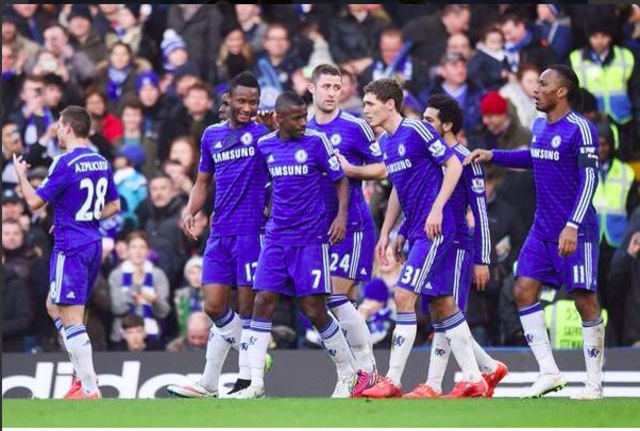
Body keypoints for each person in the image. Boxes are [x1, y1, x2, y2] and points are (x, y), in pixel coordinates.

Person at [465, 65, 604, 400]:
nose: (535, 89)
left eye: (543, 84)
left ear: (562, 91)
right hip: (542, 229)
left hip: (576, 231)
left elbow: (590, 179)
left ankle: (594, 384)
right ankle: (549, 371)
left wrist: (573, 224)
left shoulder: (580, 128)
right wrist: (494, 155)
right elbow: (534, 157)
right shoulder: (540, 125)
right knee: (523, 289)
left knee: (584, 300)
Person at [359, 79, 487, 399]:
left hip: (435, 230)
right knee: (442, 303)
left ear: (390, 104)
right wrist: (388, 232)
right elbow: (398, 190)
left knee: (404, 294)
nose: (365, 110)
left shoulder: (417, 130)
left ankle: (393, 379)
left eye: (370, 103)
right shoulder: (386, 143)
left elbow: (453, 165)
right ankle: (477, 375)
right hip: (416, 231)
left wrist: (438, 208)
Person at [232, 91, 356, 399]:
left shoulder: (316, 142)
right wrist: (265, 205)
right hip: (276, 238)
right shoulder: (265, 145)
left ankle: (348, 373)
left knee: (313, 308)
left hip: (310, 239)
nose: (304, 122)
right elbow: (262, 180)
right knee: (262, 302)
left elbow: (340, 180)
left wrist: (340, 217)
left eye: (305, 116)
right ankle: (255, 384)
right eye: (298, 118)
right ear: (280, 119)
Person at [166, 72, 270, 399]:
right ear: (228, 99)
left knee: (248, 308)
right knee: (213, 305)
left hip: (251, 232)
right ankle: (254, 356)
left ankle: (241, 381)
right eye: (242, 101)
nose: (248, 107)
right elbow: (203, 181)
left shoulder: (263, 134)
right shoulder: (211, 135)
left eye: (254, 102)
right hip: (219, 231)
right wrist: (191, 209)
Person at [398, 93, 508, 399]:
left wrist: (482, 259)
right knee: (439, 310)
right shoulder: (429, 157)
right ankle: (489, 367)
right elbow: (418, 202)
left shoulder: (466, 159)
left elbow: (481, 212)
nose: (424, 125)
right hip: (432, 242)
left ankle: (435, 383)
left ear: (447, 125)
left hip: (458, 244)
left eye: (430, 120)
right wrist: (403, 231)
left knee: (447, 310)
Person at [13, 105, 121, 399]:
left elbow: (35, 202)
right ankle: (80, 374)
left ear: (69, 128)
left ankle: (89, 387)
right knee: (54, 305)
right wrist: (79, 218)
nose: (57, 131)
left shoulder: (64, 162)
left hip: (70, 247)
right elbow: (114, 206)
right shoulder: (101, 161)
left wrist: (21, 175)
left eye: (59, 126)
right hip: (92, 243)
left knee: (72, 318)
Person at [306, 64, 387, 396]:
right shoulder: (304, 128)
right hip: (317, 230)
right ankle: (357, 374)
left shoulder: (355, 126)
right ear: (311, 88)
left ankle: (364, 371)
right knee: (337, 303)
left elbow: (383, 168)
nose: (331, 93)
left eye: (336, 87)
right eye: (325, 86)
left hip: (351, 224)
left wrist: (351, 169)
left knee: (334, 297)